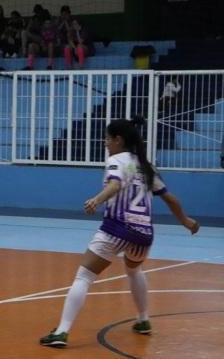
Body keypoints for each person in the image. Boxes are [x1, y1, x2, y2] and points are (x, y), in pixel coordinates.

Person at [40, 117, 200, 348]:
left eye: (107, 138)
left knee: (84, 277)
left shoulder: (117, 160)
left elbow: (114, 185)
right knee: (134, 271)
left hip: (117, 227)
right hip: (143, 234)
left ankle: (62, 332)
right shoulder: (146, 166)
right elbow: (169, 198)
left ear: (119, 139)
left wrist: (96, 200)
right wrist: (186, 221)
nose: (105, 143)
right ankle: (143, 320)